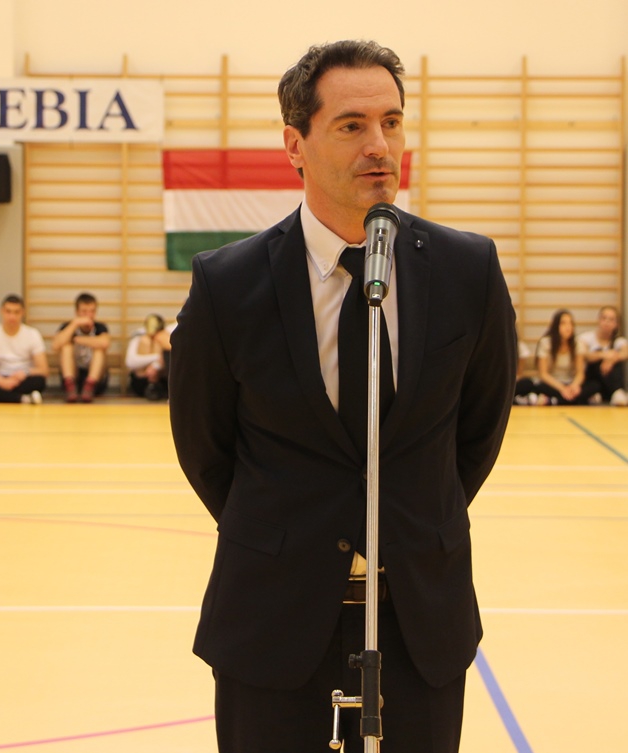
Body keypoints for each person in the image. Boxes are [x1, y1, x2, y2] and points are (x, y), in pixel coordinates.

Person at [169, 40, 517, 753]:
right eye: (352, 125)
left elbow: (478, 431)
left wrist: (408, 523)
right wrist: (291, 538)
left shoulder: (468, 270)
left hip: (421, 622)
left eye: (392, 121)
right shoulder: (228, 285)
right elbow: (205, 448)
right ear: (295, 145)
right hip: (272, 620)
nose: (379, 145)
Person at [51, 292, 111, 403]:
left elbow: (105, 343)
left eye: (92, 311)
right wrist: (74, 324)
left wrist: (77, 339)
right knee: (66, 347)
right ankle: (70, 387)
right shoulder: (68, 327)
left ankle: (89, 385)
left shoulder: (100, 328)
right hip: (74, 376)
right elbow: (55, 345)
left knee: (99, 349)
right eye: (84, 311)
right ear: (77, 312)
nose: (88, 315)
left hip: (95, 380)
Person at [533, 309, 598, 405]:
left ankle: (554, 400)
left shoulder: (577, 344)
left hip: (570, 382)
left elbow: (580, 373)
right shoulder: (546, 343)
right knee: (536, 386)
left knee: (594, 385)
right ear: (556, 326)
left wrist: (574, 386)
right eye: (563, 323)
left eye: (570, 323)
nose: (568, 327)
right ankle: (577, 400)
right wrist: (562, 388)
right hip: (553, 384)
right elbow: (543, 374)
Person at [579, 305, 627, 406]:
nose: (607, 322)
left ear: (616, 324)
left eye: (611, 320)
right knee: (597, 356)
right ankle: (596, 394)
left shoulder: (619, 341)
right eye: (604, 318)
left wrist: (612, 359)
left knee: (616, 359)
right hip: (592, 382)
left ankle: (617, 392)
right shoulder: (586, 338)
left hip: (610, 381)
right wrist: (604, 355)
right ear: (599, 320)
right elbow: (584, 355)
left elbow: (625, 353)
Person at [125, 313, 173, 400]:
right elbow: (130, 362)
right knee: (146, 341)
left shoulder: (165, 335)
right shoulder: (139, 336)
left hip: (161, 379)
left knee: (161, 342)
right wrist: (156, 359)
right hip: (142, 379)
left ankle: (155, 385)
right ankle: (151, 385)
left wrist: (156, 366)